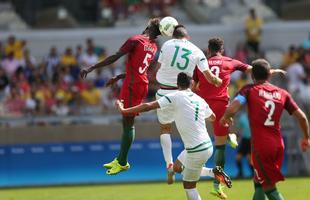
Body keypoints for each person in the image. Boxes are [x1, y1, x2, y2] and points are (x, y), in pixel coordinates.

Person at [192, 37, 285, 199]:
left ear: (208, 49)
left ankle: (228, 136)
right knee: (219, 147)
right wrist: (272, 71)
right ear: (222, 49)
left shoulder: (201, 63)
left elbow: (194, 87)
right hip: (221, 106)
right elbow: (254, 70)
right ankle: (217, 185)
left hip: (201, 106)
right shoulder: (230, 61)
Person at [116, 72, 232, 200]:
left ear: (177, 84)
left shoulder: (175, 96)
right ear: (192, 83)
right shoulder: (200, 99)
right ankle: (212, 172)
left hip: (196, 150)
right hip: (205, 145)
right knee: (177, 167)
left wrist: (124, 110)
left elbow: (148, 106)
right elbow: (213, 117)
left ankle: (213, 173)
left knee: (189, 186)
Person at [80, 18, 161, 175]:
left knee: (128, 122)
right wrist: (119, 77)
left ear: (148, 27)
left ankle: (123, 161)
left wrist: (91, 67)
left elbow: (115, 57)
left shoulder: (136, 40)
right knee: (127, 122)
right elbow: (140, 69)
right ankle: (120, 159)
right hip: (139, 83)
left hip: (132, 86)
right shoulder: (154, 47)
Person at [220, 59, 310, 200]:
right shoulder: (282, 93)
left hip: (261, 147)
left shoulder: (249, 90)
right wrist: (306, 137)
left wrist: (225, 117)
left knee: (269, 188)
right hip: (277, 145)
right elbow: (303, 118)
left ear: (252, 76)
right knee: (259, 182)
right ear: (269, 75)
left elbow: (233, 108)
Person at [155, 25, 222, 184]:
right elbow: (211, 77)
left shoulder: (166, 45)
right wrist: (219, 81)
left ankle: (169, 163)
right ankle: (208, 170)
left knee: (165, 128)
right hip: (186, 95)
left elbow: (159, 67)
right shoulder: (197, 51)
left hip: (164, 92)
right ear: (188, 37)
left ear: (173, 36)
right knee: (194, 131)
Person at [235, 109, 252, 178]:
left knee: (249, 158)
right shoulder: (242, 117)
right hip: (244, 140)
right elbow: (239, 129)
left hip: (252, 140)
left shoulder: (255, 116)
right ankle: (240, 173)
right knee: (238, 157)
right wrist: (236, 138)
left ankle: (253, 174)